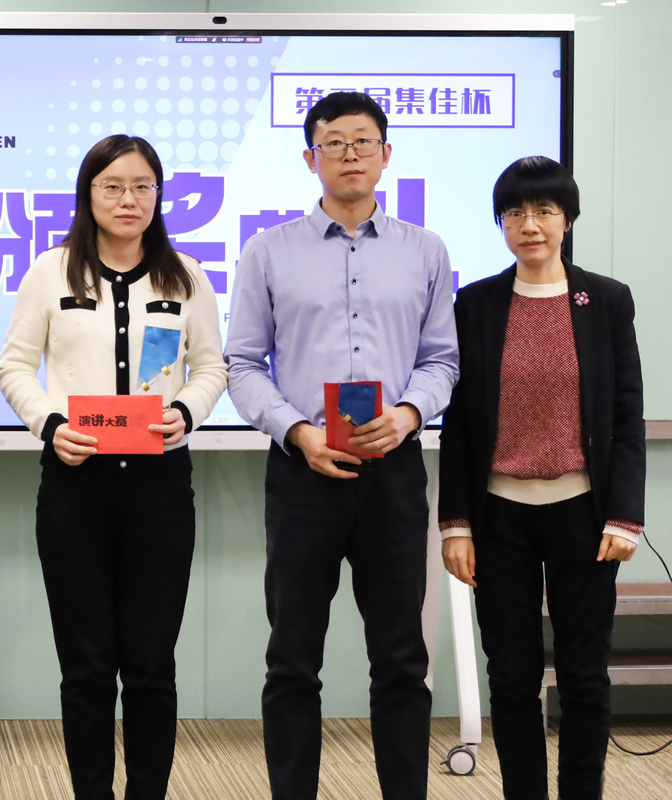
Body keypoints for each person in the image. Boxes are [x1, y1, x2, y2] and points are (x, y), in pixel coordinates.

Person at [225, 91, 459, 800]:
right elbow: (242, 363)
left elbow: (442, 360)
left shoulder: (426, 250)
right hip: (304, 474)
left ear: (386, 155)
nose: (349, 154)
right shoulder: (269, 251)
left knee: (401, 658)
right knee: (293, 658)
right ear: (311, 158)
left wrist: (409, 413)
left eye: (363, 141)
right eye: (334, 142)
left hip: (395, 473)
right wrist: (296, 431)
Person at [0, 134, 227, 800]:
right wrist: (50, 425)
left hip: (160, 486)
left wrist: (186, 410)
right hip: (76, 486)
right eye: (113, 186)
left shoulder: (186, 275)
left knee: (151, 665)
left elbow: (212, 366)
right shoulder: (51, 271)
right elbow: (15, 366)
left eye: (142, 186)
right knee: (87, 667)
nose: (129, 199)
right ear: (88, 193)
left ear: (159, 195)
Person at [439, 156, 644, 800]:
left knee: (584, 675)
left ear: (568, 220)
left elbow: (626, 413)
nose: (530, 225)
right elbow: (460, 422)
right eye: (515, 213)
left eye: (545, 211)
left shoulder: (606, 300)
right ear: (501, 222)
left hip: (584, 513)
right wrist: (455, 524)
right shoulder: (475, 304)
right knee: (511, 677)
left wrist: (625, 515)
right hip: (498, 516)